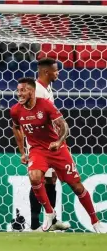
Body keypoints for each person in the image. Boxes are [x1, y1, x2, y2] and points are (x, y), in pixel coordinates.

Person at [10, 77, 104, 233]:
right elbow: (15, 127)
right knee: (34, 177)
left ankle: (95, 221)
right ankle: (49, 212)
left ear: (32, 91)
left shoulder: (45, 105)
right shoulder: (15, 110)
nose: (19, 94)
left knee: (77, 187)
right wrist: (23, 152)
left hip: (57, 150)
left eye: (23, 90)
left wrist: (59, 142)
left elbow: (64, 126)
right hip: (37, 150)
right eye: (18, 90)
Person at [27, 57, 69, 231]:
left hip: (50, 141)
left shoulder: (48, 88)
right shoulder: (36, 91)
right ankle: (36, 224)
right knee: (38, 180)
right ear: (46, 72)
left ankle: (51, 220)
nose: (58, 73)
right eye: (56, 70)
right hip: (39, 143)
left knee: (51, 179)